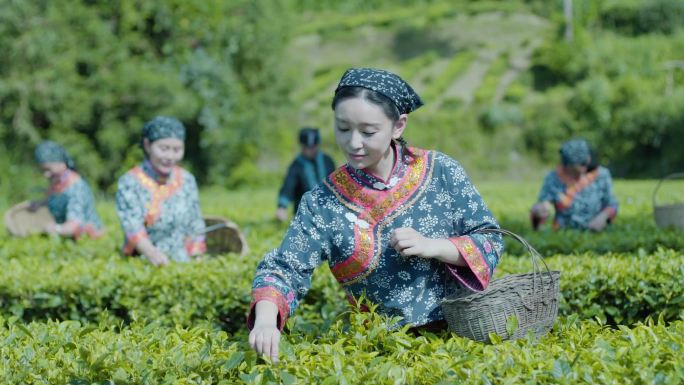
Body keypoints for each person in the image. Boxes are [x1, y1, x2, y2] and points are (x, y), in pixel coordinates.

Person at [248, 68, 503, 362]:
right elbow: (284, 268)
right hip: (377, 354)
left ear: (398, 126)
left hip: (460, 344)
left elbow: (491, 239)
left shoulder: (441, 171)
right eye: (343, 128)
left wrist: (436, 247)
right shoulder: (322, 202)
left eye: (368, 132)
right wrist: (266, 321)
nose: (353, 143)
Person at [115, 116, 206, 266]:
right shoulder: (130, 182)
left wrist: (197, 258)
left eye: (177, 150)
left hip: (183, 261)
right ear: (147, 145)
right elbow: (132, 226)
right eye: (164, 149)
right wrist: (152, 254)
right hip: (143, 262)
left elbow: (195, 223)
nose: (170, 156)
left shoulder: (187, 179)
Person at [530, 139, 618, 231]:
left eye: (582, 167)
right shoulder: (554, 177)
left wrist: (602, 217)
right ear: (565, 165)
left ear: (588, 160)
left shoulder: (601, 175)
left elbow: (612, 204)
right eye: (572, 171)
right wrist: (538, 210)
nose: (578, 175)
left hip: (595, 231)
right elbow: (544, 203)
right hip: (563, 231)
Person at [31, 141, 104, 239]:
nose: (46, 175)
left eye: (48, 169)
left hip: (86, 237)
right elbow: (51, 201)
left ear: (61, 163)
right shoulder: (56, 181)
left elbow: (75, 225)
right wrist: (40, 204)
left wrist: (55, 229)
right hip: (63, 234)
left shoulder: (76, 187)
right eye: (43, 170)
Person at [275, 127, 336, 222]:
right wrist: (282, 207)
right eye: (306, 147)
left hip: (329, 212)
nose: (309, 151)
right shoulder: (297, 165)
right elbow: (288, 186)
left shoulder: (327, 161)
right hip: (304, 214)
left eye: (312, 147)